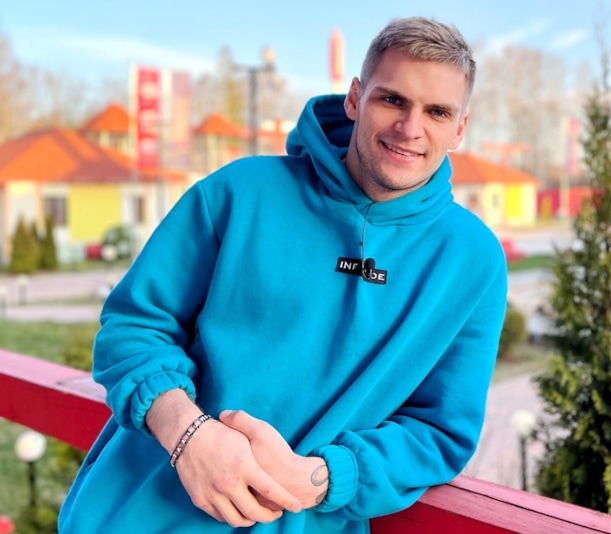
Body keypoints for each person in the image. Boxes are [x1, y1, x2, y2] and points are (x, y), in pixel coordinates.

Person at [59, 15, 507, 533]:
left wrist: (323, 477)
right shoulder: (240, 191)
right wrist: (189, 435)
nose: (410, 128)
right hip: (137, 514)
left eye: (437, 111)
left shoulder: (473, 260)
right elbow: (134, 325)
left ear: (459, 128)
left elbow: (438, 431)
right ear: (356, 98)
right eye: (392, 100)